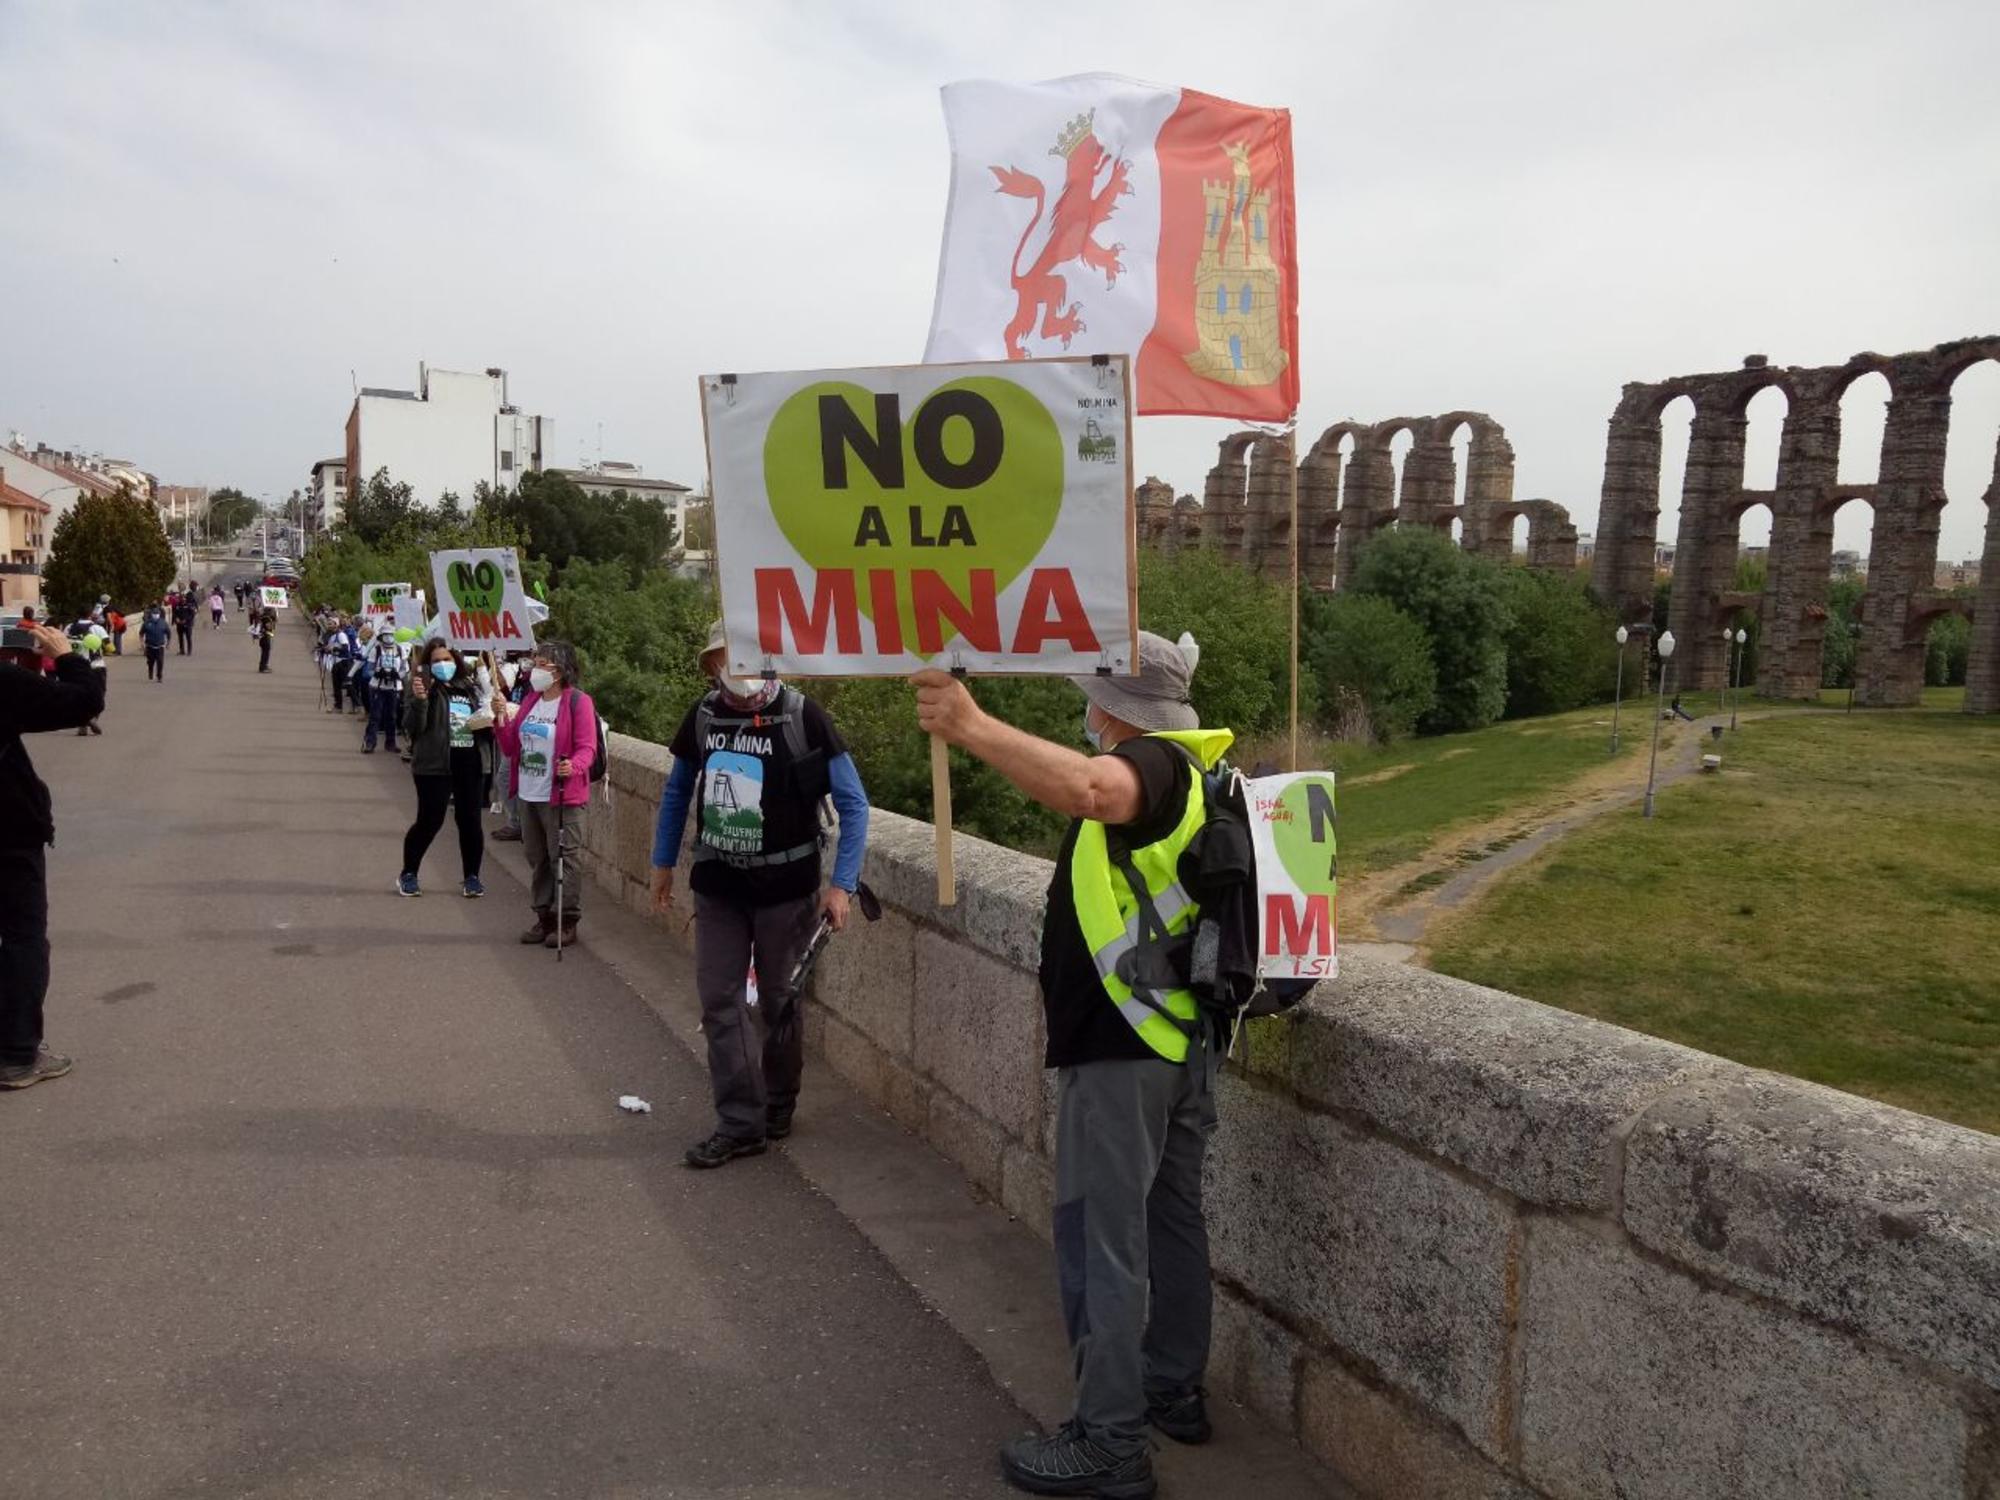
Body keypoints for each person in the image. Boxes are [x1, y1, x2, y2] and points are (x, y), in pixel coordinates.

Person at [913, 631, 1230, 1500]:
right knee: (1170, 1226)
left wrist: (972, 724)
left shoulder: (1153, 770)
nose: (1084, 712)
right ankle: (1171, 1390)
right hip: (1178, 1041)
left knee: (1104, 1241)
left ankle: (1111, 1443)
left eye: (1092, 697)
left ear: (1115, 708)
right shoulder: (1201, 770)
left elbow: (1093, 789)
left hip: (1125, 1051)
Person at [649, 620, 870, 1168]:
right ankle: (740, 1123)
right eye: (725, 658)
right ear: (712, 666)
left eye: (744, 655)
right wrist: (661, 864)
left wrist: (841, 886)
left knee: (778, 1001)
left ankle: (779, 1099)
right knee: (721, 1002)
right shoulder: (704, 716)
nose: (736, 669)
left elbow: (854, 803)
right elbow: (678, 790)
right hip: (720, 884)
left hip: (786, 888)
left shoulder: (802, 717)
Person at [1, 621, 106, 1090]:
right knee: (22, 938)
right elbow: (82, 700)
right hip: (7, 836)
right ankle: (17, 1053)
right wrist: (66, 654)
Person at [492, 641, 599, 948]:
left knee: (564, 858)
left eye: (543, 664)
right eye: (535, 662)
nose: (535, 669)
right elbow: (512, 746)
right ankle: (543, 916)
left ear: (560, 670)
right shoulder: (530, 700)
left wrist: (573, 767)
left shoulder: (578, 702)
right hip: (528, 792)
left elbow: (587, 747)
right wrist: (501, 720)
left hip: (561, 794)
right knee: (537, 857)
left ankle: (566, 919)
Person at [398, 638, 493, 898]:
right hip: (435, 765)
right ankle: (409, 873)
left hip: (471, 763)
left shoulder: (469, 687)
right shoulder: (420, 685)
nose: (442, 664)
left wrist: (493, 713)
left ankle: (472, 877)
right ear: (428, 664)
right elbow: (412, 727)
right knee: (430, 821)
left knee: (470, 821)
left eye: (447, 659)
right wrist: (420, 700)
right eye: (436, 660)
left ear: (457, 661)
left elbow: (486, 723)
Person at [361, 625, 405, 754]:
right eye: (385, 634)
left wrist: (397, 675)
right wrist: (377, 673)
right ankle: (370, 743)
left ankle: (390, 743)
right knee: (375, 716)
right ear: (380, 636)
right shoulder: (376, 650)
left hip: (393, 687)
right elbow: (368, 669)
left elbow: (404, 668)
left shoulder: (399, 649)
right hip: (377, 687)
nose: (388, 637)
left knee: (392, 716)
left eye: (391, 634)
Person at [139, 605, 171, 682]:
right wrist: (142, 644)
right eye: (154, 613)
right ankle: (150, 672)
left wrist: (168, 643)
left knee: (160, 662)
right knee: (150, 662)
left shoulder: (163, 623)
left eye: (157, 613)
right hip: (149, 646)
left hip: (160, 646)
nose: (155, 615)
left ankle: (159, 676)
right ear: (151, 614)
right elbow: (141, 633)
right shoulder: (147, 623)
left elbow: (168, 633)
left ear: (159, 614)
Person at [173, 590, 197, 656]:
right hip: (179, 624)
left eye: (183, 598)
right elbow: (174, 614)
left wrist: (186, 620)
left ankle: (189, 651)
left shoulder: (189, 605)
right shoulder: (177, 606)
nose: (182, 599)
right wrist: (176, 619)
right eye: (181, 598)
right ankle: (182, 650)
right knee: (180, 638)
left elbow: (192, 615)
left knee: (188, 637)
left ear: (185, 598)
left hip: (187, 624)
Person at [255, 606, 276, 672]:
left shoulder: (263, 617)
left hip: (263, 637)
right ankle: (263, 667)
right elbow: (269, 626)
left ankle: (264, 665)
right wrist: (272, 623)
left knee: (265, 652)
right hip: (265, 637)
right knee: (265, 652)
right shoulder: (267, 618)